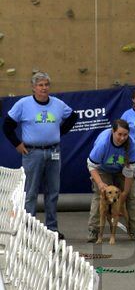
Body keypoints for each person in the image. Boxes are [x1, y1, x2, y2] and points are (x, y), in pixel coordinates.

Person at [3, 71, 77, 238]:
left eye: (46, 85)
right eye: (40, 85)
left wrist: (59, 132)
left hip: (53, 152)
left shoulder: (57, 104)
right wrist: (17, 144)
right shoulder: (23, 104)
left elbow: (73, 116)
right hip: (32, 153)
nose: (44, 88)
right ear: (33, 88)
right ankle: (29, 230)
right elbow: (7, 125)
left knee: (53, 192)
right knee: (30, 193)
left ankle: (51, 229)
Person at [87, 119, 135, 242]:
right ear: (113, 132)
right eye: (119, 134)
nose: (122, 138)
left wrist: (125, 192)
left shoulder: (132, 145)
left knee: (132, 196)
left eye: (125, 135)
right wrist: (100, 183)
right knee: (100, 195)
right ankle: (94, 230)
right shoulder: (103, 144)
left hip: (122, 169)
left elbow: (130, 171)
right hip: (103, 169)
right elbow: (91, 165)